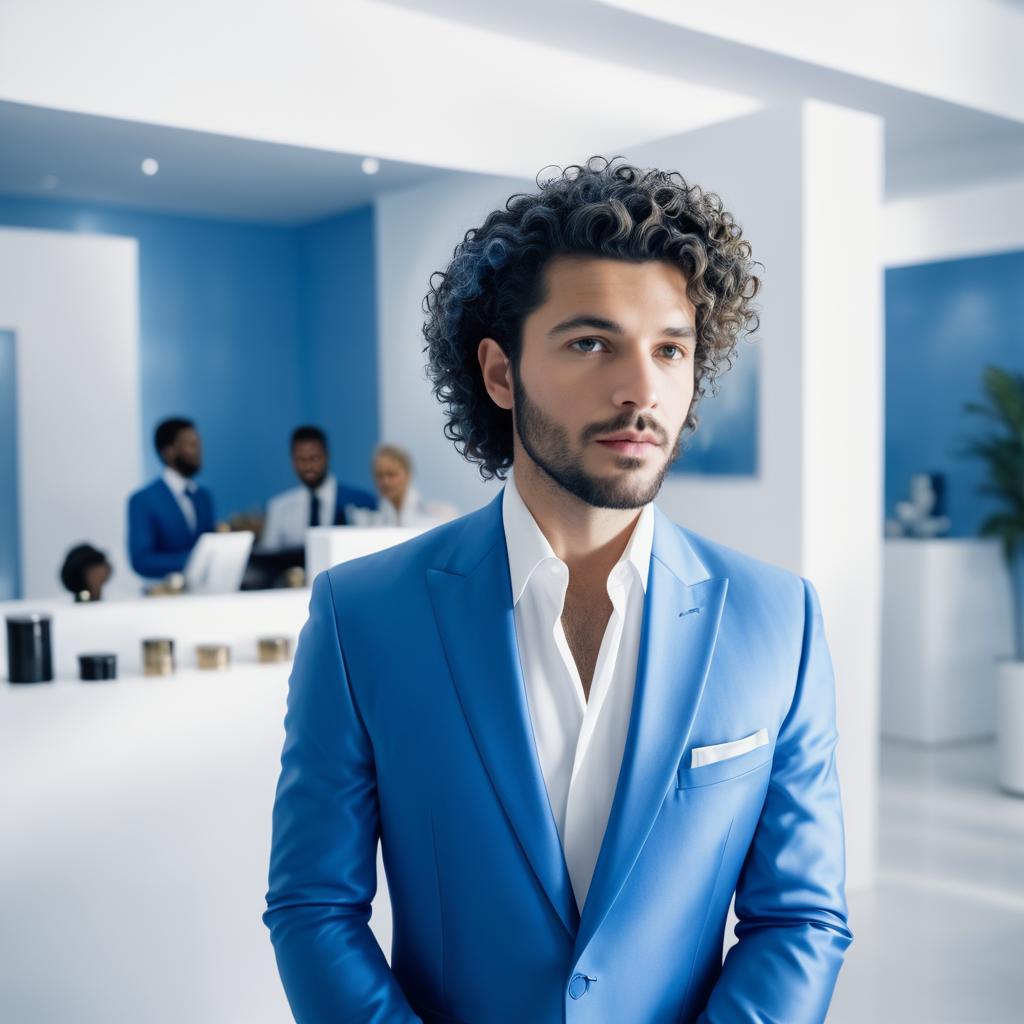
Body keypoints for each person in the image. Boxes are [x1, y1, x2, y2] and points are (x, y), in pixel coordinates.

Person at [263, 157, 852, 1023]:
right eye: (591, 343)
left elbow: (801, 917)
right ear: (501, 374)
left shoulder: (779, 618)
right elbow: (314, 908)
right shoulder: (362, 617)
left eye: (669, 350)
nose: (642, 389)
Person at [257, 426, 378, 552]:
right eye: (301, 460)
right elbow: (269, 559)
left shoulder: (361, 502)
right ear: (292, 460)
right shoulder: (279, 508)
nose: (308, 466)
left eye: (314, 458)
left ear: (327, 456)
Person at [127, 417, 215, 579]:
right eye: (191, 445)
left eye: (198, 443)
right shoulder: (143, 500)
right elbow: (141, 560)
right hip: (166, 597)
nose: (199, 450)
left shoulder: (203, 497)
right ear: (169, 451)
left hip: (206, 595)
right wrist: (192, 560)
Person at [352, 442, 457, 527]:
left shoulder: (440, 516)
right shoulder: (368, 523)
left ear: (408, 474)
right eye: (379, 476)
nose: (385, 481)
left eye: (391, 474)